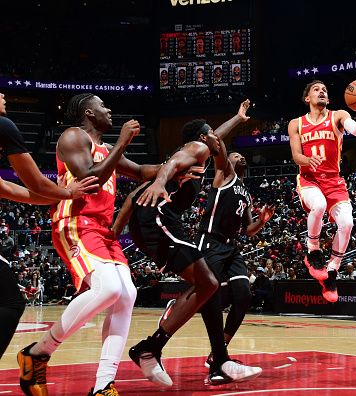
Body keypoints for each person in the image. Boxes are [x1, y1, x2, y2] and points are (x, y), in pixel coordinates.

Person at [17, 93, 162, 396]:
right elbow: (90, 176)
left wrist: (176, 166)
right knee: (109, 288)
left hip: (101, 229)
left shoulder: (105, 149)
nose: (109, 110)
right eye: (102, 106)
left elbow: (140, 172)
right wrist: (123, 142)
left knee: (127, 294)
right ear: (88, 113)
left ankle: (103, 385)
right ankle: (39, 352)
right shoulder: (73, 137)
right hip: (75, 223)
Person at [115, 100, 263, 386]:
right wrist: (161, 181)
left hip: (154, 222)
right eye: (211, 134)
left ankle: (213, 360)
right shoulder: (192, 151)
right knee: (207, 284)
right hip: (159, 218)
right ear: (203, 138)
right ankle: (152, 348)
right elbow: (172, 164)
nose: (216, 139)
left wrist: (237, 118)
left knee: (207, 285)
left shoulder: (194, 157)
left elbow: (135, 187)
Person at [0, 92, 98, 360]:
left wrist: (56, 195)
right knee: (10, 303)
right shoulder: (3, 125)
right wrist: (67, 192)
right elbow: (36, 182)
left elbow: (6, 187)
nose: (3, 95)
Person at [288, 80, 356, 302]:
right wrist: (309, 160)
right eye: (316, 89)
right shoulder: (296, 123)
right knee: (317, 205)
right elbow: (296, 156)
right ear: (307, 98)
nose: (322, 91)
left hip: (334, 181)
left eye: (325, 90)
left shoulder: (337, 115)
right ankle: (314, 251)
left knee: (347, 223)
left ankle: (332, 272)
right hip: (309, 179)